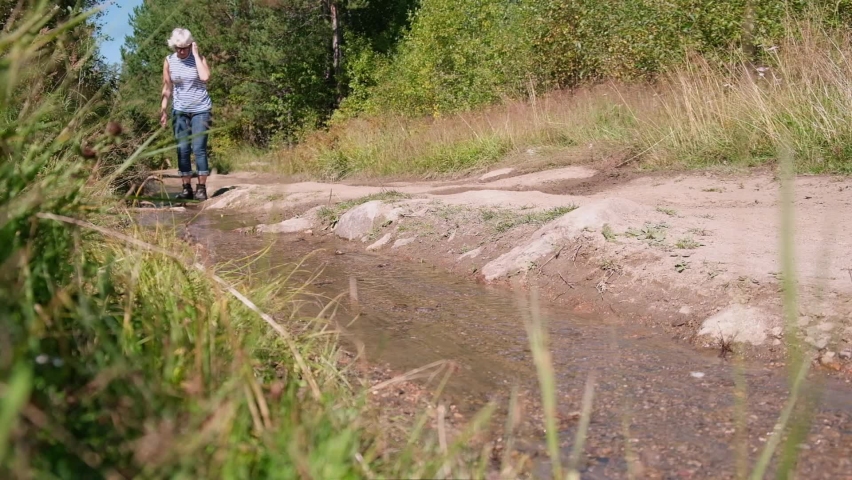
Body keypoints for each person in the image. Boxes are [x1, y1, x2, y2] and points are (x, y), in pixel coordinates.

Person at [159, 28, 212, 201]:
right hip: (180, 110)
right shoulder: (169, 61)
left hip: (201, 110)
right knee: (182, 149)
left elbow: (205, 77)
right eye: (178, 48)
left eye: (185, 47)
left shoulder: (199, 58)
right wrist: (164, 109)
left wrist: (196, 55)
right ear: (173, 46)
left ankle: (201, 188)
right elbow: (167, 87)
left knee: (199, 148)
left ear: (191, 45)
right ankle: (186, 187)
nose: (181, 51)